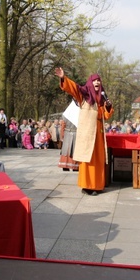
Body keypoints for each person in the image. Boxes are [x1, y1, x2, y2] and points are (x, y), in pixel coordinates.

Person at [54, 67, 113, 195]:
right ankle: (87, 186)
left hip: (98, 134)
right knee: (88, 160)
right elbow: (74, 88)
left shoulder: (102, 99)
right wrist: (64, 78)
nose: (97, 83)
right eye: (94, 81)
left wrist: (108, 106)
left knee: (98, 161)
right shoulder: (84, 96)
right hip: (87, 134)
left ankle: (97, 185)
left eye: (99, 81)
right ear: (90, 83)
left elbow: (106, 116)